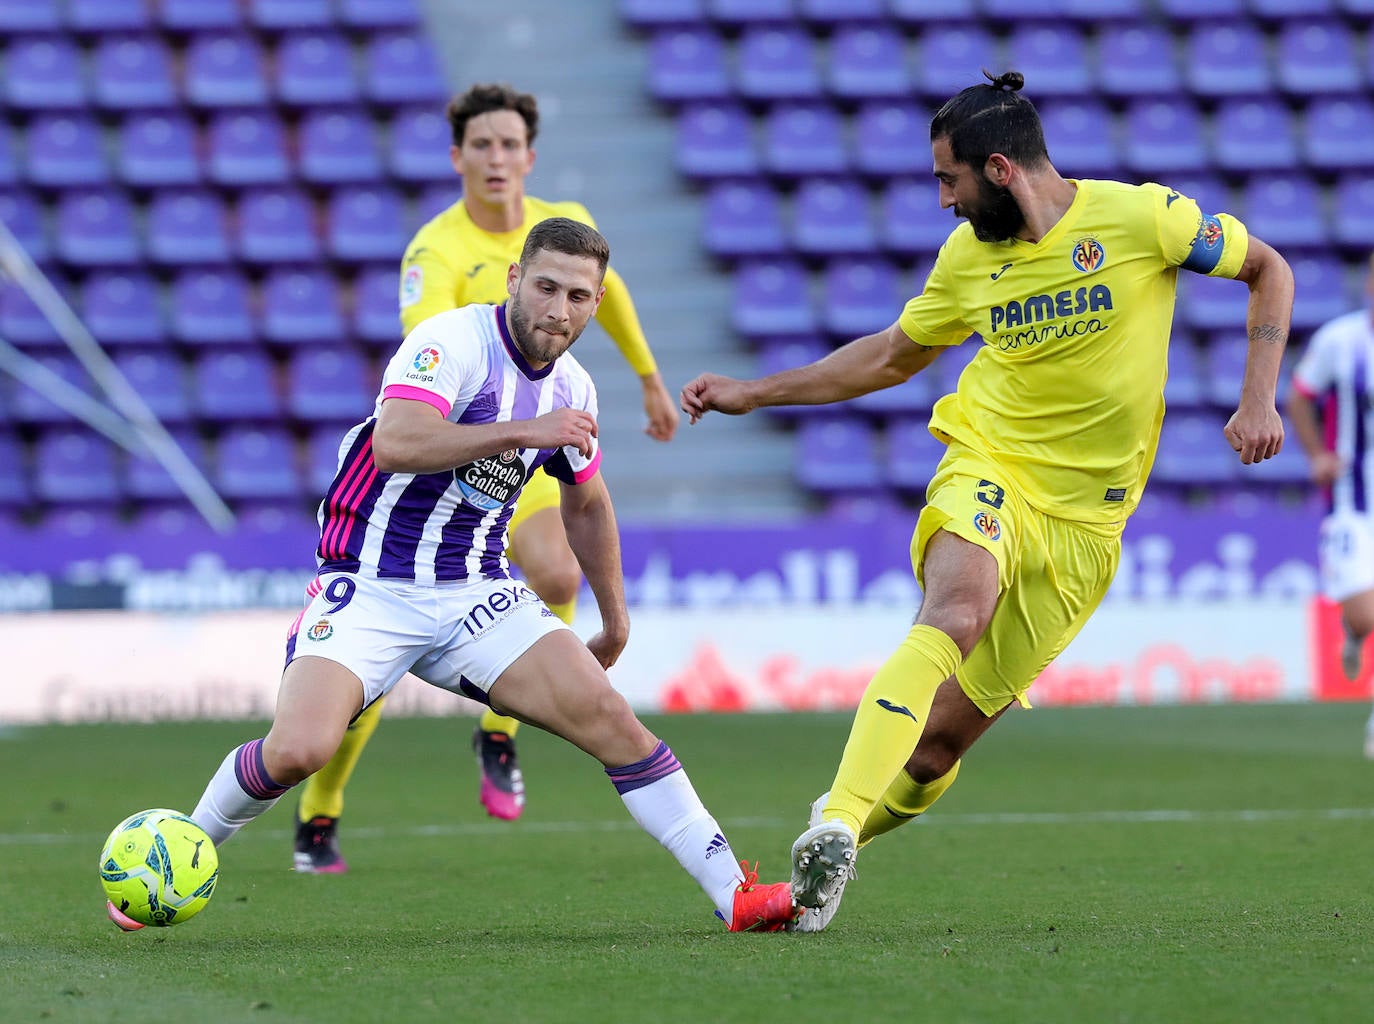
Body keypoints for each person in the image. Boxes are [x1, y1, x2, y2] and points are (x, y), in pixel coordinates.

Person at [680, 71, 1293, 932]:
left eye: (949, 180)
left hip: (1088, 525)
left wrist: (1258, 397)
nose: (943, 201)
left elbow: (1269, 269)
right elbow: (895, 354)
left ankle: (834, 845)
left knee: (936, 747)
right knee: (956, 610)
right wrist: (757, 392)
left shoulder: (1145, 219)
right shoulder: (968, 259)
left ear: (999, 169)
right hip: (991, 465)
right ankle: (837, 826)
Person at [107, 219, 796, 934]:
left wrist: (615, 617)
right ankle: (179, 850)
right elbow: (396, 441)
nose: (559, 310)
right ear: (514, 281)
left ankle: (735, 894)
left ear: (596, 304)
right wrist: (520, 432)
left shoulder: (575, 389)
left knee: (613, 719)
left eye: (579, 297)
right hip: (370, 584)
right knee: (300, 749)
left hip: (475, 593)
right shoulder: (452, 343)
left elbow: (586, 503)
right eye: (547, 287)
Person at [293, 83, 681, 872]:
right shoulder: (434, 253)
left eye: (510, 145)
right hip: (446, 460)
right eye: (482, 146)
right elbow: (428, 359)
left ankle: (498, 732)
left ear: (528, 157)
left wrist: (645, 376)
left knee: (556, 564)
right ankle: (321, 804)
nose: (497, 158)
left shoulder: (561, 226)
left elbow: (615, 296)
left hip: (521, 457)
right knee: (372, 663)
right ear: (458, 158)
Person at [1288, 252, 1374, 757]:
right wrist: (1318, 454)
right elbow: (1300, 397)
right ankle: (1352, 628)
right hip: (1352, 502)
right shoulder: (1341, 342)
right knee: (1366, 616)